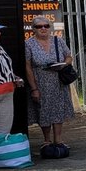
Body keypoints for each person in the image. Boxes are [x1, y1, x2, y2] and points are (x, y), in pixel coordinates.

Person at [25, 15, 76, 156]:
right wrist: (34, 88)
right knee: (43, 111)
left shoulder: (58, 41)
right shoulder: (28, 44)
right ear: (34, 29)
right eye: (39, 26)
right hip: (40, 82)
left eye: (46, 26)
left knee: (58, 109)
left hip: (58, 82)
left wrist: (63, 64)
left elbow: (69, 56)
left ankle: (58, 140)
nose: (43, 28)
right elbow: (27, 67)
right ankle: (46, 140)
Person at [0, 22, 24, 137]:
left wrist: (14, 77)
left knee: (4, 131)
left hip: (7, 92)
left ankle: (1, 149)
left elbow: (4, 68)